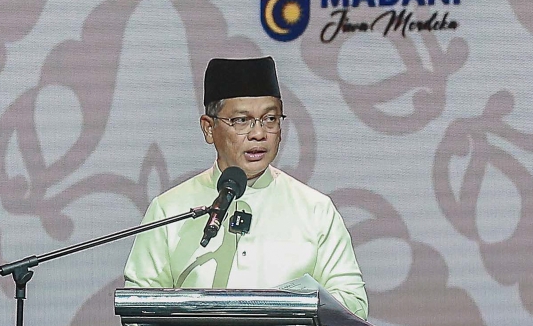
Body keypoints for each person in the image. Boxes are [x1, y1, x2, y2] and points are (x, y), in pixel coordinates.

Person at [123, 56, 368, 319]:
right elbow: (139, 309)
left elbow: (353, 307)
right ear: (209, 128)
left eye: (270, 118)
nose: (259, 133)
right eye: (242, 121)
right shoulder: (169, 209)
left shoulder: (316, 210)